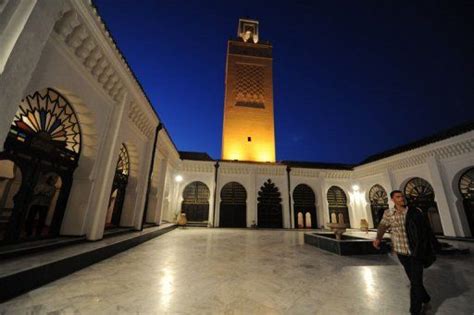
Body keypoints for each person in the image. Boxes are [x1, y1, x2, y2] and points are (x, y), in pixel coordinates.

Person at [373, 190, 436, 315]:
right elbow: (382, 226)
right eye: (398, 197)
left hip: (415, 251)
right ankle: (426, 298)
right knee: (413, 279)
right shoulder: (389, 213)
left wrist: (430, 245)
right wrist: (378, 238)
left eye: (402, 196)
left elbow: (425, 230)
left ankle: (415, 311)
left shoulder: (414, 212)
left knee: (415, 282)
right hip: (401, 252)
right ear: (392, 200)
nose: (402, 199)